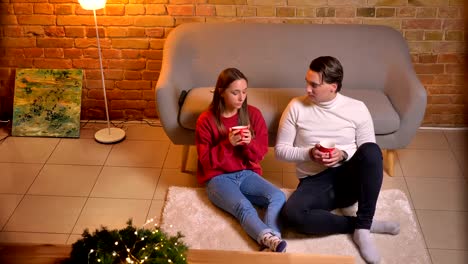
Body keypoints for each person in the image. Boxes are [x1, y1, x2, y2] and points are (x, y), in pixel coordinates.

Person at [275, 56, 399, 263]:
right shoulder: (295, 107)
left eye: (314, 85)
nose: (307, 89)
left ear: (333, 86)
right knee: (291, 215)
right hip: (314, 182)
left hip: (348, 179)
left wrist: (343, 155)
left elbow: (369, 151)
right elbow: (280, 150)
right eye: (306, 82)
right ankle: (361, 226)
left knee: (372, 151)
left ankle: (363, 225)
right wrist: (309, 153)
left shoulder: (357, 108)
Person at [195, 67, 287, 253]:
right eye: (235, 92)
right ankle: (268, 239)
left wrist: (248, 143)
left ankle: (273, 239)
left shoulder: (253, 114)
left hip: (246, 173)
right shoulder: (206, 120)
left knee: (278, 196)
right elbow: (205, 162)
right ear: (221, 92)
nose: (241, 97)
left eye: (244, 92)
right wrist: (228, 144)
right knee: (243, 207)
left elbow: (259, 154)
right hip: (217, 178)